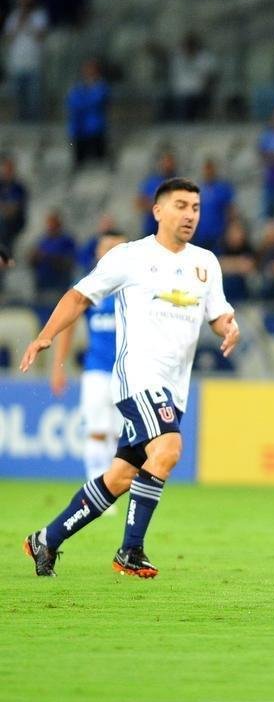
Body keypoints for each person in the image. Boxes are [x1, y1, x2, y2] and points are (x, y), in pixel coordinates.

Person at [21, 178, 240, 579]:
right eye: (180, 205)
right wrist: (45, 336)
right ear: (158, 211)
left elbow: (218, 314)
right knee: (170, 448)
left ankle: (45, 540)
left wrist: (228, 327)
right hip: (136, 378)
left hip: (174, 387)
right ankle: (130, 550)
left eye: (195, 207)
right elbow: (78, 296)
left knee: (120, 476)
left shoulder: (206, 262)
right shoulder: (130, 257)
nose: (190, 214)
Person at [50, 231, 127, 481]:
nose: (113, 252)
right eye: (108, 247)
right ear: (98, 252)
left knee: (122, 434)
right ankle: (96, 488)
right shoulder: (90, 286)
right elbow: (69, 326)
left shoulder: (135, 288)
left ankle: (113, 487)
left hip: (128, 372)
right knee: (96, 430)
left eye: (119, 248)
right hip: (96, 370)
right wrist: (59, 366)